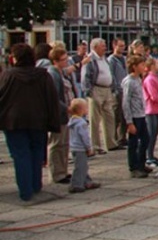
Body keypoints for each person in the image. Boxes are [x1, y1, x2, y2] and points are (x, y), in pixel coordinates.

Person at [0, 43, 60, 201]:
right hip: (38, 120)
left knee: (21, 155)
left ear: (15, 58)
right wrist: (53, 119)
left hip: (14, 121)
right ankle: (35, 185)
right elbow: (52, 99)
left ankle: (26, 191)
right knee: (36, 153)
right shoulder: (43, 75)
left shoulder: (8, 75)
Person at [82, 38, 118, 155]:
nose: (105, 48)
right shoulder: (90, 59)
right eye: (103, 46)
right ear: (95, 47)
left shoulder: (104, 59)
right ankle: (96, 145)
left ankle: (111, 143)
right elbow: (85, 76)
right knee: (95, 119)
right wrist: (89, 91)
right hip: (96, 89)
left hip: (107, 89)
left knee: (109, 116)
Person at [47, 47, 76, 184]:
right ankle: (57, 173)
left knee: (64, 143)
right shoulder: (52, 74)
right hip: (58, 114)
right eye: (63, 60)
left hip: (65, 114)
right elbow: (53, 97)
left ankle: (63, 170)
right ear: (55, 61)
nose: (66, 62)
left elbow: (69, 70)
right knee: (57, 144)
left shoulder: (60, 72)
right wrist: (67, 108)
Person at [122, 56, 151, 178]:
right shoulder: (129, 82)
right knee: (133, 142)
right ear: (134, 67)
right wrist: (129, 122)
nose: (143, 67)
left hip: (141, 114)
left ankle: (141, 163)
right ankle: (133, 167)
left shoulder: (139, 79)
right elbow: (125, 102)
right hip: (133, 116)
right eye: (141, 64)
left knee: (146, 139)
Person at [67, 98, 100, 193]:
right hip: (81, 148)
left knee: (83, 166)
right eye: (86, 108)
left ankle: (87, 181)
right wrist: (89, 147)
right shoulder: (81, 123)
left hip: (74, 147)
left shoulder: (72, 121)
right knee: (80, 166)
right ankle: (76, 184)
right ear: (81, 110)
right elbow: (84, 137)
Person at [142, 57, 158, 168]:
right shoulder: (150, 79)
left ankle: (151, 155)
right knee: (150, 134)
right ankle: (148, 157)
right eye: (157, 63)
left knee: (155, 133)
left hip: (156, 109)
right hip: (150, 109)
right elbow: (154, 96)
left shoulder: (156, 77)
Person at [108, 38, 128, 149]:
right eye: (120, 46)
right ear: (114, 46)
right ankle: (114, 138)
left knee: (125, 116)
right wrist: (115, 89)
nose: (122, 48)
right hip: (117, 91)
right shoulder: (111, 60)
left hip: (125, 90)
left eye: (123, 46)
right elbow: (111, 75)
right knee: (117, 116)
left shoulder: (124, 59)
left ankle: (122, 138)